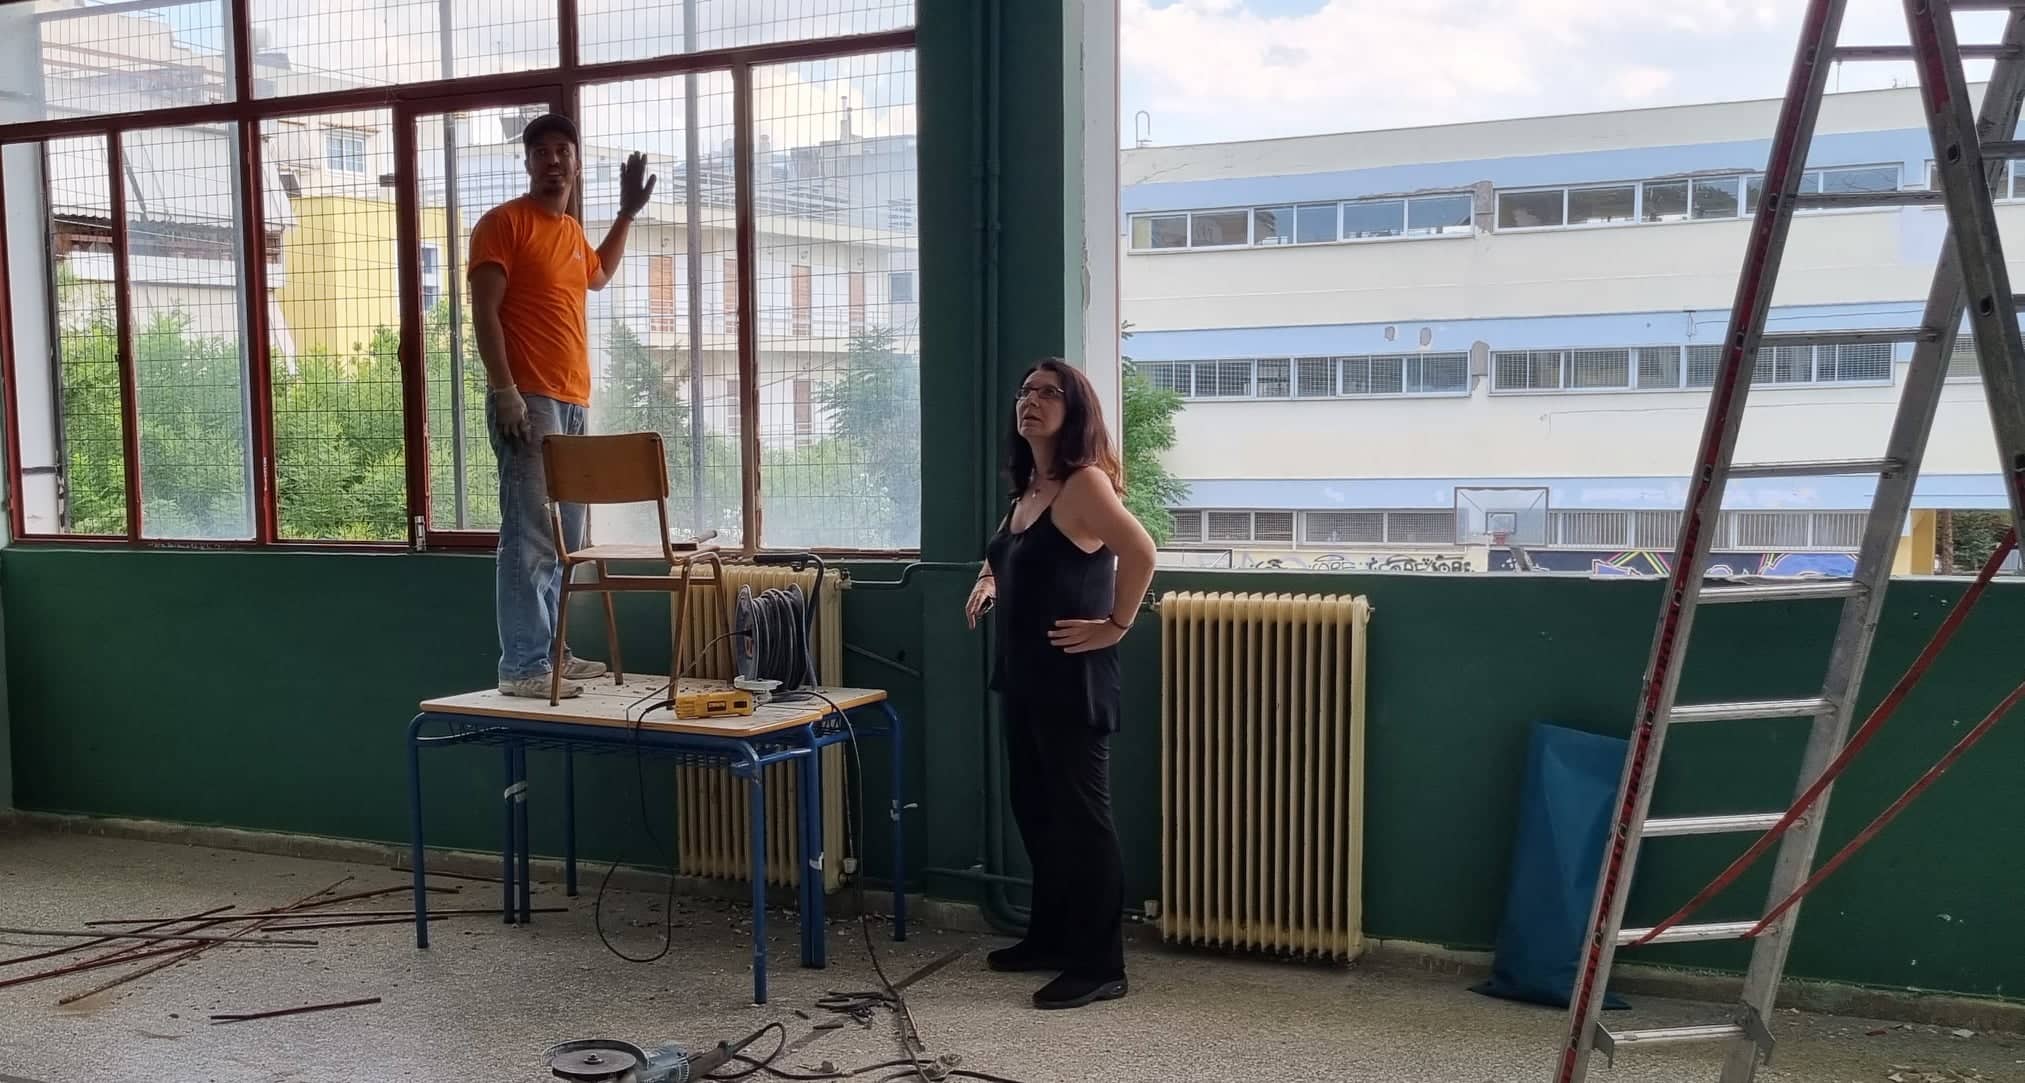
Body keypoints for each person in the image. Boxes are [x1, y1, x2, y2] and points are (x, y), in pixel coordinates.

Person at [965, 359, 1158, 1010]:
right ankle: (1049, 938)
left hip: (1072, 680)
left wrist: (1116, 624)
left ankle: (1101, 965)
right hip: (1022, 677)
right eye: (1026, 391)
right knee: (1036, 811)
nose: (1032, 400)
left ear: (1075, 409)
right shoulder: (1029, 490)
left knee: (1081, 821)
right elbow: (1013, 554)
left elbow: (1141, 552)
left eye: (1049, 392)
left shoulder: (1084, 484)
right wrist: (989, 580)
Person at [469, 113, 656, 699]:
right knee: (530, 535)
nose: (553, 161)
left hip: (573, 401)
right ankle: (522, 665)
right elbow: (484, 311)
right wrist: (504, 391)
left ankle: (552, 653)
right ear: (527, 162)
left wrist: (626, 214)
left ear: (577, 162)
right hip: (528, 398)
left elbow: (597, 276)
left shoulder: (571, 233)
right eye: (541, 152)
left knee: (563, 537)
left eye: (563, 151)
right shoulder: (503, 224)